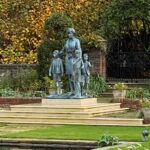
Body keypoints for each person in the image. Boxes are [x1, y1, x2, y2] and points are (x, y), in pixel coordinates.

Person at [60, 28, 82, 95]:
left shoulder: (76, 41)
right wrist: (60, 53)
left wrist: (78, 59)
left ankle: (77, 91)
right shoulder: (67, 41)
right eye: (68, 33)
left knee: (74, 75)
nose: (68, 34)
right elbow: (63, 49)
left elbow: (79, 50)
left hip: (73, 59)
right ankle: (72, 90)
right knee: (69, 75)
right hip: (67, 59)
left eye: (69, 33)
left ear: (73, 33)